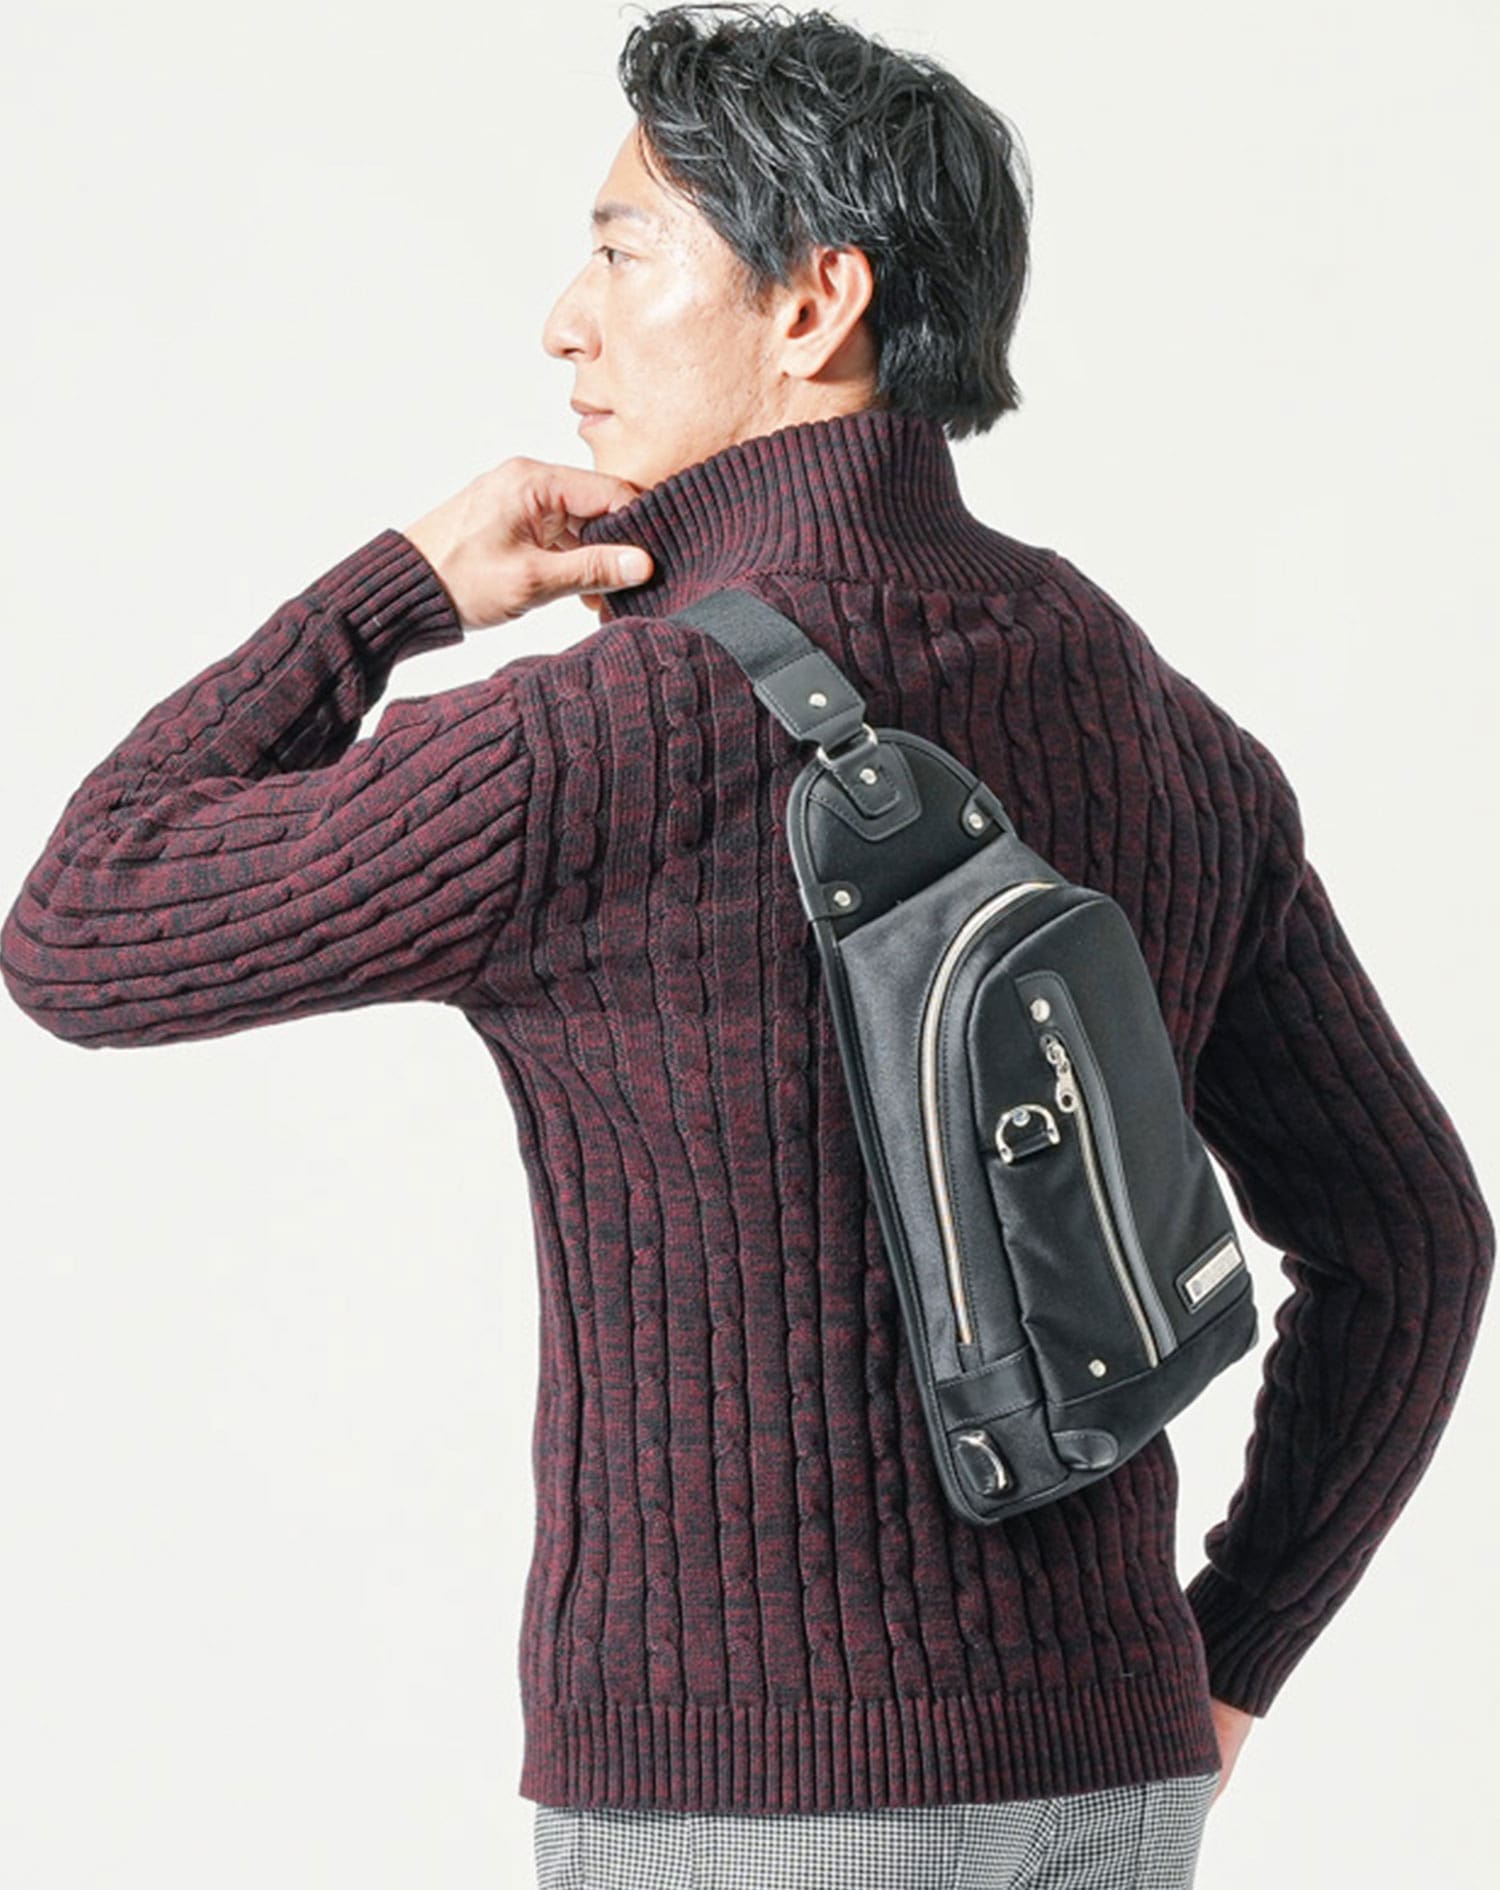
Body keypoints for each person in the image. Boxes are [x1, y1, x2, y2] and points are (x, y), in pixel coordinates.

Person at [3, 5, 1491, 1887]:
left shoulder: (606, 743)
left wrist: (397, 591)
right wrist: (1232, 1657)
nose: (566, 320)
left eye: (626, 250)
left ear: (814, 305)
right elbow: (1413, 1235)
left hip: (747, 1801)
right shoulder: (1154, 717)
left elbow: (84, 922)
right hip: (1109, 1770)